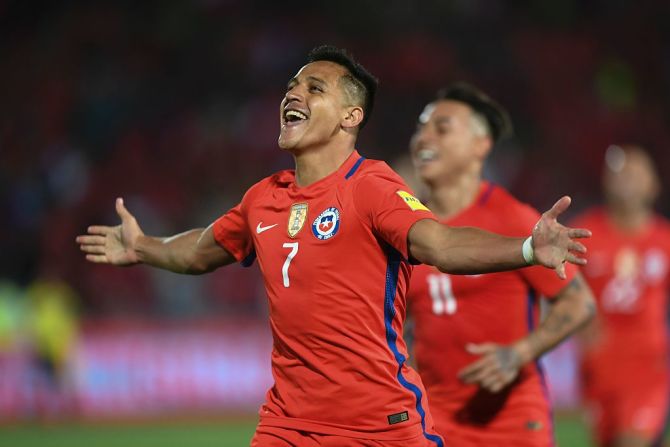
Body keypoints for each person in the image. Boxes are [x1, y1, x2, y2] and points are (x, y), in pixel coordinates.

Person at [76, 46, 590, 447]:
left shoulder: (371, 186)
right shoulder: (263, 198)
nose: (292, 94)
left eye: (313, 87)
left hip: (379, 424)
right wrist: (144, 246)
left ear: (350, 117)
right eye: (291, 85)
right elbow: (198, 251)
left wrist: (526, 248)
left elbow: (441, 244)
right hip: (288, 423)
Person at [404, 83, 596, 447]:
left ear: (481, 146)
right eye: (421, 127)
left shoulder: (511, 217)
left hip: (512, 420)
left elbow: (579, 303)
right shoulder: (406, 225)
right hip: (433, 419)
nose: (422, 137)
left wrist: (519, 354)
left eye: (441, 128)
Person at [572, 145, 670, 447]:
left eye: (636, 171)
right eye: (620, 170)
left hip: (646, 365)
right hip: (598, 367)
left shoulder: (665, 239)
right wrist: (579, 322)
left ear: (654, 185)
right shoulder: (583, 233)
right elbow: (554, 289)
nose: (626, 176)